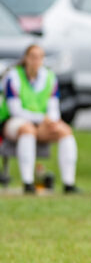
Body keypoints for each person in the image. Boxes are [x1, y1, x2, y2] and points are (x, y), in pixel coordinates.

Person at [0, 44, 78, 194]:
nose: (36, 61)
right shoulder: (13, 77)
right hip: (14, 121)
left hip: (42, 123)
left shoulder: (49, 77)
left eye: (40, 57)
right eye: (33, 57)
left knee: (65, 131)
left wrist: (51, 122)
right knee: (27, 129)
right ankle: (28, 182)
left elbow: (53, 107)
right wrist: (41, 119)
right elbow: (15, 110)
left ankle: (69, 183)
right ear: (26, 59)